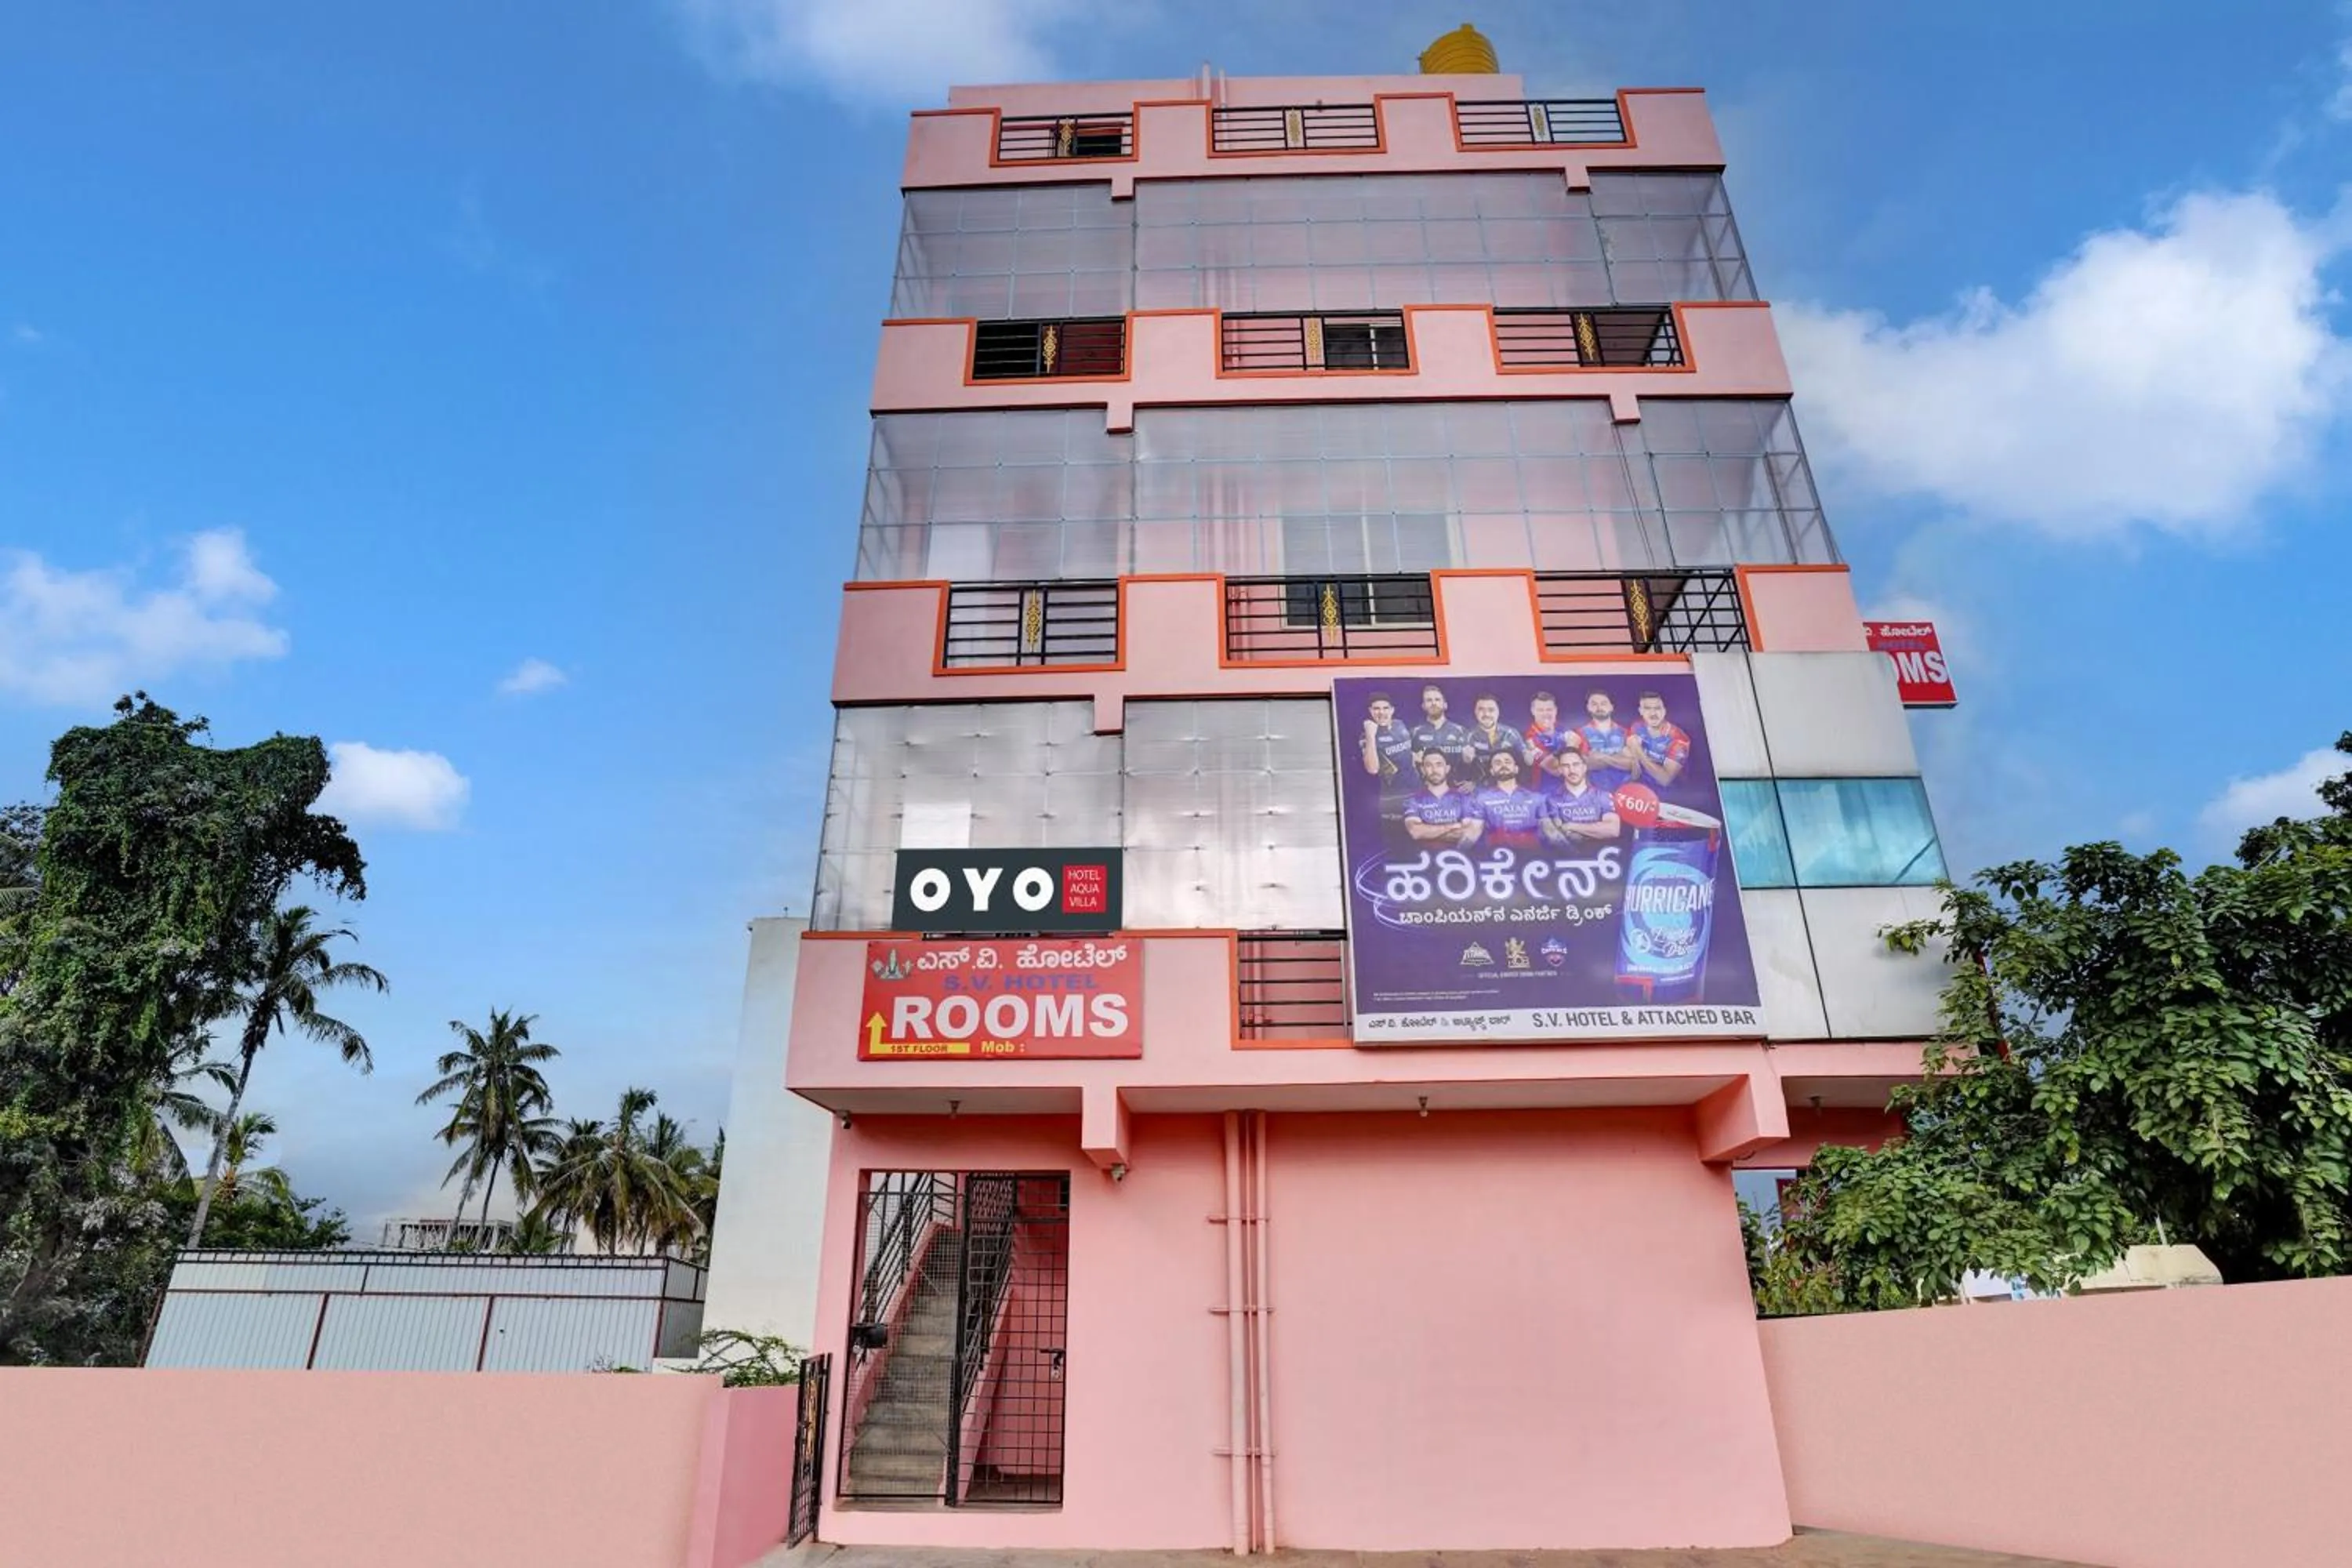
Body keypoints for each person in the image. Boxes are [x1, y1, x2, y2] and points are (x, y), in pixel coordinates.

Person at [1539, 748, 1622, 844]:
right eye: (1566, 766)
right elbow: (1553, 834)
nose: (1572, 770)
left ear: (1584, 767)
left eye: (1576, 765)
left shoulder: (1603, 796)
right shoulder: (1552, 800)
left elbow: (1613, 830)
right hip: (1564, 856)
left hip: (1600, 855)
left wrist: (1571, 826)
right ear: (1560, 770)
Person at [1402, 749, 1481, 846]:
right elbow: (1416, 832)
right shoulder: (1413, 800)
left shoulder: (1463, 798)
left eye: (1439, 765)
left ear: (1447, 769)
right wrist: (1452, 827)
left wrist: (1428, 831)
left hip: (1458, 857)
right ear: (1423, 770)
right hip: (1423, 857)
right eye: (1429, 765)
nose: (1434, 770)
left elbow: (1469, 833)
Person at [1472, 749, 1545, 851]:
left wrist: (1572, 852)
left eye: (1508, 762)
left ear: (1516, 769)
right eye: (1498, 763)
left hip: (1532, 858)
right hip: (1496, 858)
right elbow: (1472, 832)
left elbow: (1550, 831)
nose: (1503, 765)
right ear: (1492, 771)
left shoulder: (1536, 798)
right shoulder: (1482, 799)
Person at [1407, 684, 1475, 793]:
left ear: (1445, 705)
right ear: (1423, 706)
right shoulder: (1414, 733)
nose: (1434, 703)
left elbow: (1479, 764)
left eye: (1437, 700)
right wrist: (1411, 759)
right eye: (1429, 700)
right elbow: (1403, 767)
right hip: (1425, 792)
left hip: (1457, 791)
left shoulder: (1462, 731)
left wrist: (1474, 782)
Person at [1628, 690, 1694, 789]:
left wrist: (1638, 750)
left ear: (1664, 710)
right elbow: (1635, 766)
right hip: (1642, 785)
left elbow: (1665, 780)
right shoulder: (1637, 727)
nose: (1653, 713)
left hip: (1671, 792)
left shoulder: (1679, 739)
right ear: (1640, 711)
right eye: (1647, 708)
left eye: (1657, 708)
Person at [1575, 689, 1639, 793]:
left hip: (1625, 792)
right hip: (1593, 793)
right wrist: (1619, 757)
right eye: (1594, 704)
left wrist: (1603, 757)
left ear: (1611, 707)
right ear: (1588, 708)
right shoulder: (1580, 733)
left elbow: (1633, 765)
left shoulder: (1626, 733)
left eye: (1604, 704)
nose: (1599, 708)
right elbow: (1584, 765)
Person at [1358, 692, 1416, 804]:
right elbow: (1372, 769)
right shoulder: (1366, 736)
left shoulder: (1400, 724)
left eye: (1385, 708)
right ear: (1370, 711)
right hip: (1394, 796)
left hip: (1417, 790)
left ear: (1392, 710)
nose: (1381, 712)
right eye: (1376, 709)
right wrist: (1370, 735)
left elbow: (1409, 751)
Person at [1462, 693, 1530, 784]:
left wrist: (1530, 756)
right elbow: (1464, 769)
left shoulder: (1511, 734)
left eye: (1491, 710)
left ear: (1498, 712)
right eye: (1481, 709)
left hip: (1507, 783)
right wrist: (1466, 761)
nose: (1486, 714)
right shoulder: (1467, 736)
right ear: (1475, 712)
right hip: (1481, 787)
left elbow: (1527, 762)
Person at [1523, 690, 1580, 796]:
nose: (1545, 714)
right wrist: (1570, 746)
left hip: (1571, 792)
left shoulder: (1565, 730)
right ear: (1533, 711)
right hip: (1544, 793)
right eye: (1540, 710)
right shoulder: (1529, 737)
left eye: (1549, 709)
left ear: (1556, 710)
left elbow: (1583, 760)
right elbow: (1553, 768)